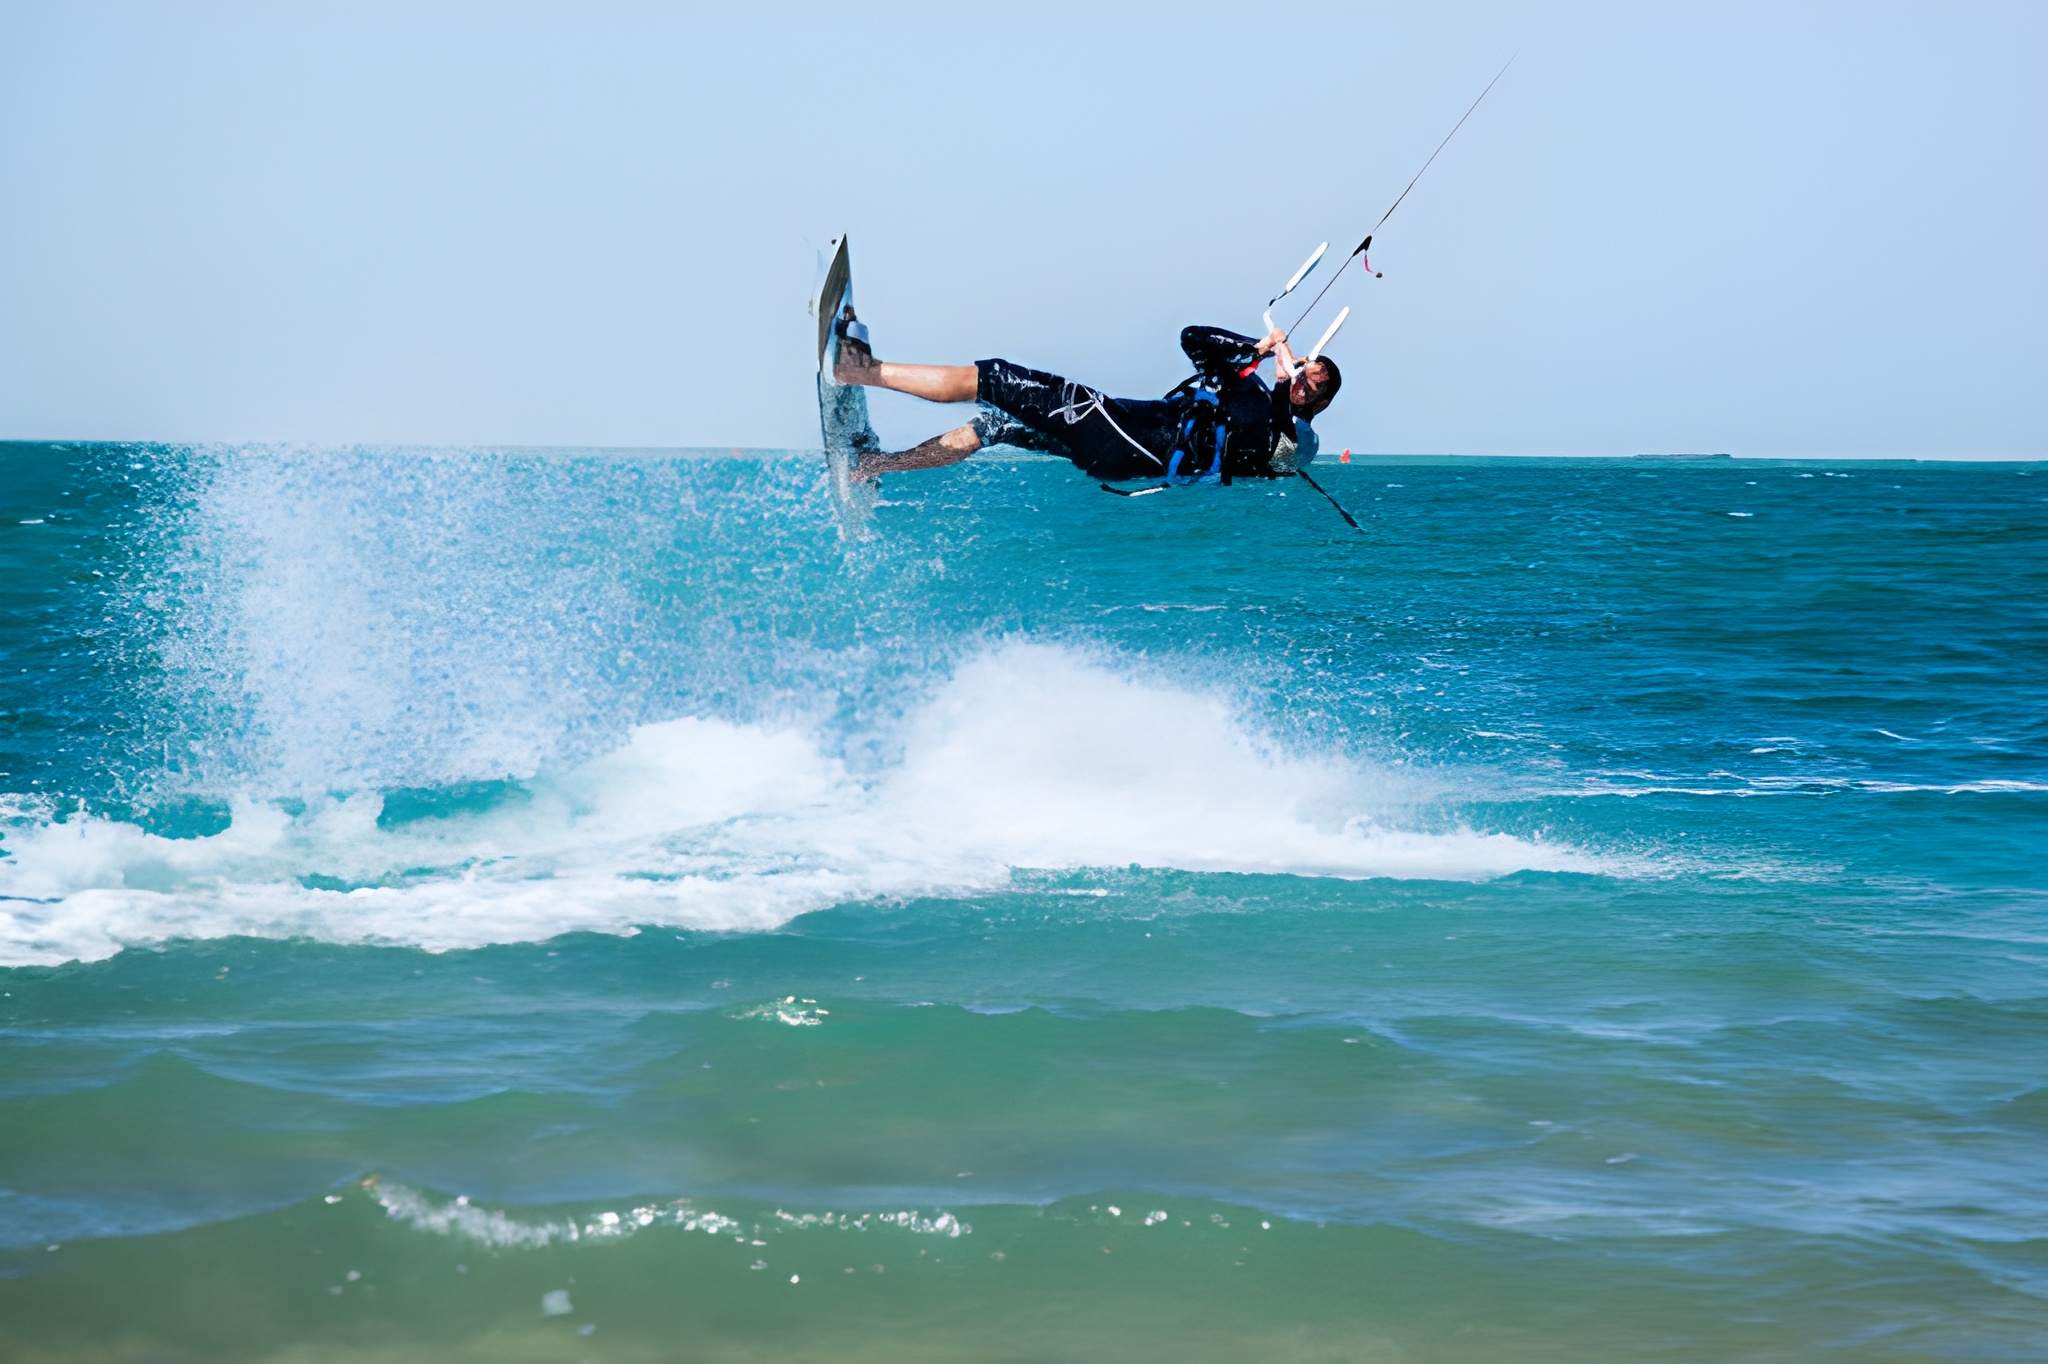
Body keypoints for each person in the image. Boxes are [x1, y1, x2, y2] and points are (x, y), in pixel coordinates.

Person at [831, 313, 1340, 485]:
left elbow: (1283, 443)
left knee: (997, 377)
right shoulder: (1249, 387)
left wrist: (1273, 381)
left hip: (1117, 433)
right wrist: (1254, 348)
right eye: (1305, 373)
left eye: (1312, 387)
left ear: (1315, 406)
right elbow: (1192, 337)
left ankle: (862, 370)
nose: (1302, 382)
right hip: (1117, 445)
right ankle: (873, 466)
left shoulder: (1284, 435)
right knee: (994, 425)